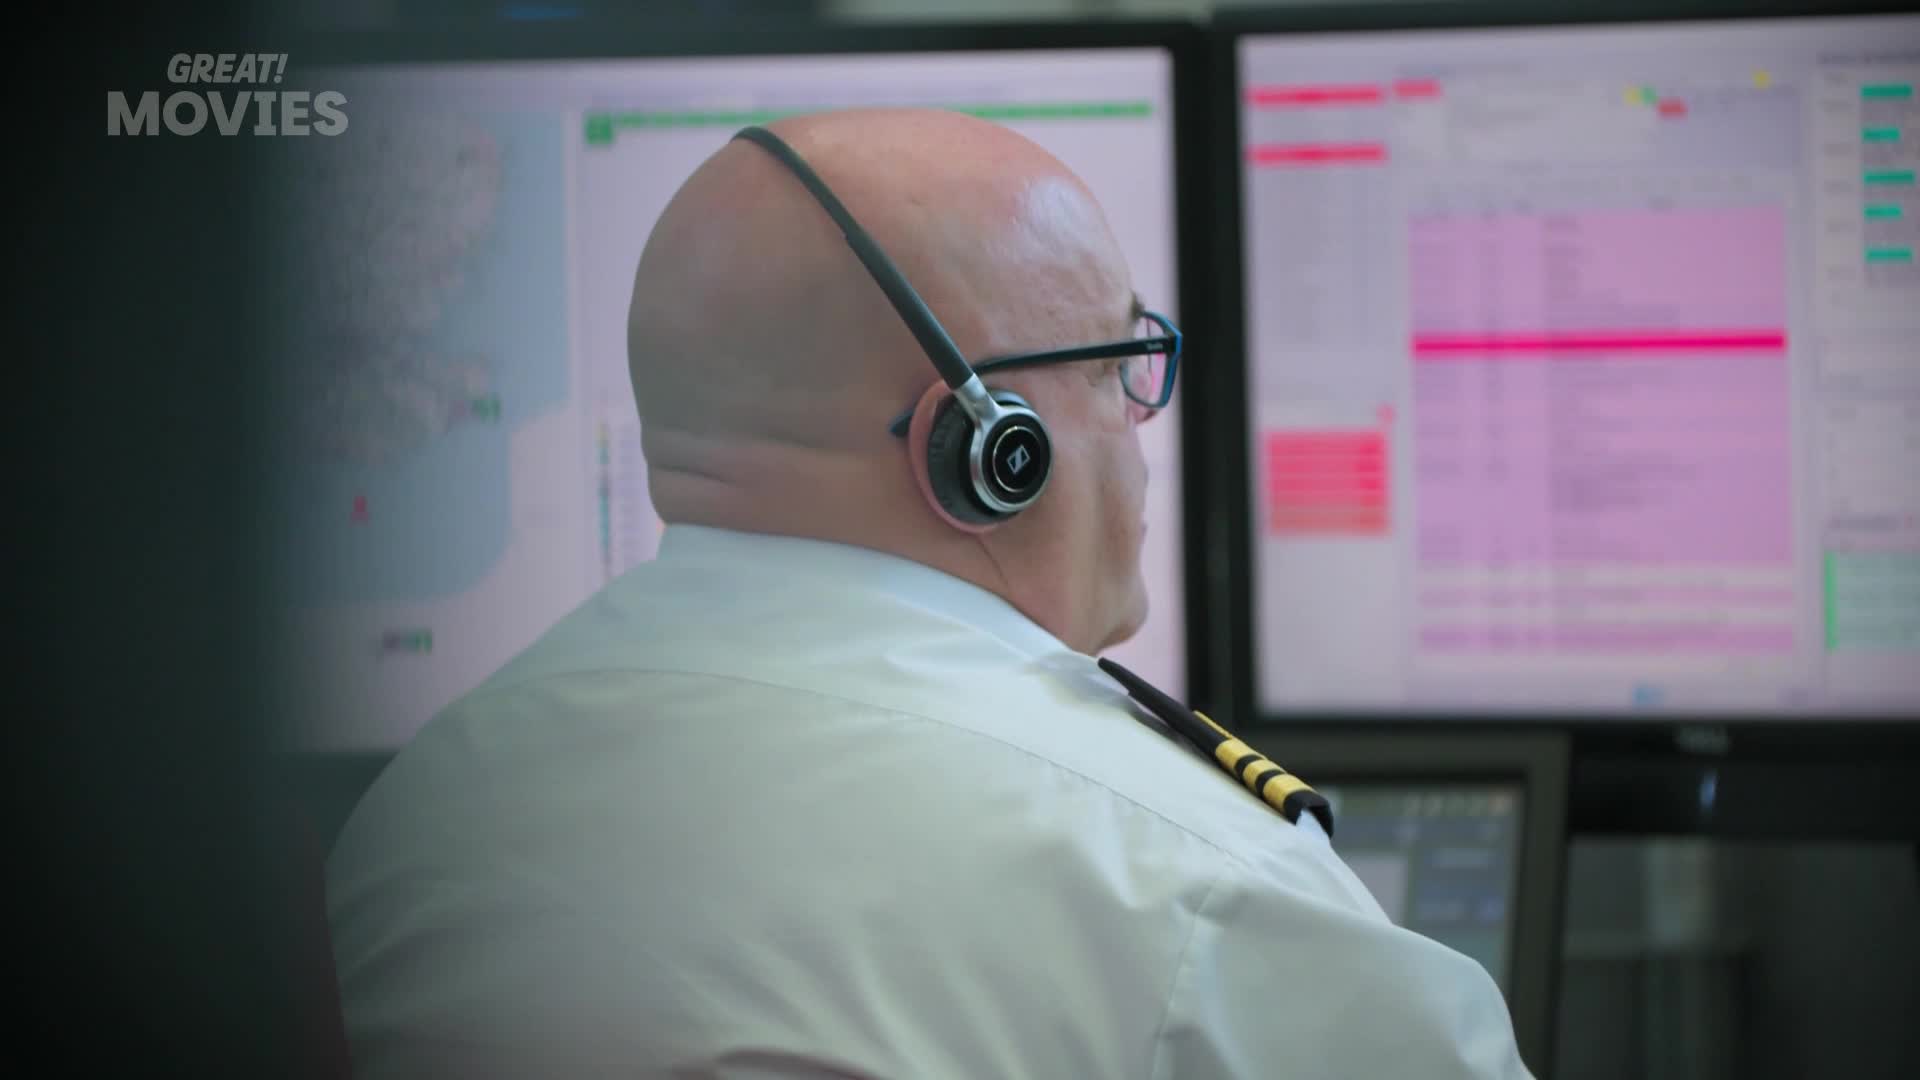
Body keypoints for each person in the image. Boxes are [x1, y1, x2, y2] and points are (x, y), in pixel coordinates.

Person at [325, 107, 1534, 1078]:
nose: (1139, 421)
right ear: (986, 445)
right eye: (1119, 367)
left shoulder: (418, 813)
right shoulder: (1187, 879)